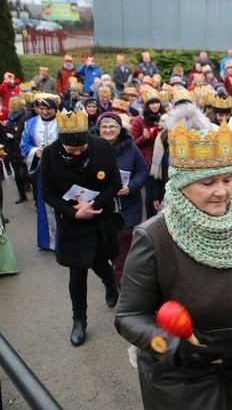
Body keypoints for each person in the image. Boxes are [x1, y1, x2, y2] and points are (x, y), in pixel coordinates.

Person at [115, 105, 232, 409]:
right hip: (177, 375)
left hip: (231, 360)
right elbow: (128, 317)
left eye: (227, 180)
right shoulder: (155, 235)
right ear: (182, 185)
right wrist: (172, 348)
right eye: (207, 183)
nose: (223, 193)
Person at [41, 109, 122, 346]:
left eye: (81, 149)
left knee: (99, 261)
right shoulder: (50, 155)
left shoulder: (101, 147)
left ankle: (109, 282)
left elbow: (115, 182)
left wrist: (94, 205)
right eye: (72, 150)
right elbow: (47, 192)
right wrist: (74, 212)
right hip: (72, 221)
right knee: (77, 271)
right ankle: (79, 320)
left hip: (98, 216)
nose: (77, 153)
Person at [91, 112, 149, 289]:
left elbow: (143, 171)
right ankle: (114, 271)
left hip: (127, 204)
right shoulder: (91, 147)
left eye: (112, 126)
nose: (108, 130)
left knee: (123, 236)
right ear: (98, 129)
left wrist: (131, 186)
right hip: (101, 202)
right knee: (106, 239)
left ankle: (121, 275)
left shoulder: (130, 147)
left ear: (119, 128)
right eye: (104, 126)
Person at [20, 93, 60, 250]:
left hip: (62, 168)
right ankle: (48, 241)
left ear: (55, 108)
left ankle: (65, 239)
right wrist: (35, 151)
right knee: (45, 203)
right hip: (42, 169)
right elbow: (24, 144)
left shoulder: (64, 121)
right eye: (41, 108)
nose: (44, 112)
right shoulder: (30, 123)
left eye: (48, 108)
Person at [131, 89, 164, 219]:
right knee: (151, 192)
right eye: (152, 103)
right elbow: (133, 143)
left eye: (157, 103)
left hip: (162, 159)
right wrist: (145, 137)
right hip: (148, 160)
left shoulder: (164, 117)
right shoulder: (139, 120)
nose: (155, 106)